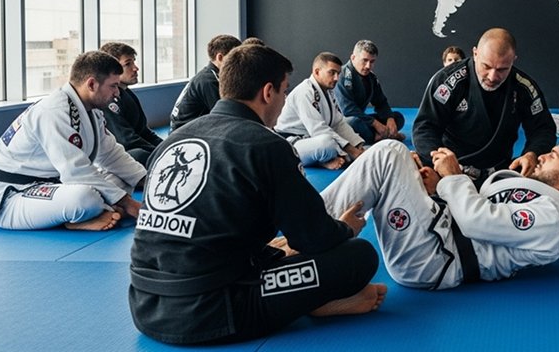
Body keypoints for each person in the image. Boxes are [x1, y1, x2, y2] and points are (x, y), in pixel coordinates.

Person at [129, 44, 385, 345]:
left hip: (144, 303)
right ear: (267, 92)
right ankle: (315, 302)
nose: (284, 101)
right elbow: (316, 239)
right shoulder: (265, 145)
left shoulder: (171, 141)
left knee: (279, 246)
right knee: (358, 256)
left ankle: (288, 282)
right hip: (213, 309)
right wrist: (346, 229)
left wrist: (275, 252)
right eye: (284, 92)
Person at [320, 137, 559, 289]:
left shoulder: (552, 219)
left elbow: (475, 222)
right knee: (400, 158)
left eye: (552, 156)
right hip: (440, 233)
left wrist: (453, 178)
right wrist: (436, 189)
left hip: (435, 260)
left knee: (388, 153)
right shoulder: (542, 199)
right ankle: (313, 230)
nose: (541, 155)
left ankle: (310, 230)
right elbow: (481, 207)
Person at [0, 51, 146, 231]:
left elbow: (110, 154)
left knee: (121, 178)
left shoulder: (91, 111)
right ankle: (76, 218)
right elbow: (76, 171)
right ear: (92, 84)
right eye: (113, 86)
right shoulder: (53, 111)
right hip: (14, 195)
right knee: (84, 197)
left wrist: (147, 180)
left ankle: (91, 213)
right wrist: (128, 203)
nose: (117, 93)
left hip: (53, 186)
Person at [413, 27, 555, 184]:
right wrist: (439, 160)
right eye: (486, 66)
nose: (493, 76)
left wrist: (532, 153)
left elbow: (543, 129)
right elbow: (425, 128)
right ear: (475, 53)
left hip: (499, 171)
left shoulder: (524, 87)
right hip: (453, 168)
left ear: (513, 60)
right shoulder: (448, 81)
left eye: (502, 69)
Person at [275, 52, 365, 169]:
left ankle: (324, 157)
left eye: (338, 73)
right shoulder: (304, 92)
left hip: (310, 138)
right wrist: (351, 151)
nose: (336, 78)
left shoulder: (328, 91)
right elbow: (318, 129)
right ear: (317, 72)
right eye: (332, 72)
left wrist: (357, 145)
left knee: (340, 143)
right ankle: (321, 160)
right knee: (327, 144)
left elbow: (338, 123)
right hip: (290, 143)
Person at [100, 41, 163, 165]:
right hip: (113, 157)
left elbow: (144, 131)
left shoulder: (127, 94)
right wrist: (160, 153)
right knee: (140, 155)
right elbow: (126, 141)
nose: (135, 68)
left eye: (134, 62)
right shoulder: (106, 99)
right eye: (128, 64)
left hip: (132, 148)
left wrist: (168, 146)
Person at [333, 40, 405, 144]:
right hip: (342, 122)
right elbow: (348, 110)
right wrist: (375, 123)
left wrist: (389, 118)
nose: (368, 66)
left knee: (398, 117)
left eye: (372, 62)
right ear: (353, 58)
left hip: (362, 119)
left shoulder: (371, 77)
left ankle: (379, 136)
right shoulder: (343, 76)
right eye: (364, 60)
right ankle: (376, 137)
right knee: (352, 122)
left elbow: (381, 102)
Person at [170, 34, 242, 130]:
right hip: (186, 132)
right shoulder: (208, 81)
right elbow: (225, 114)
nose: (238, 62)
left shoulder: (210, 75)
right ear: (220, 58)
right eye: (234, 58)